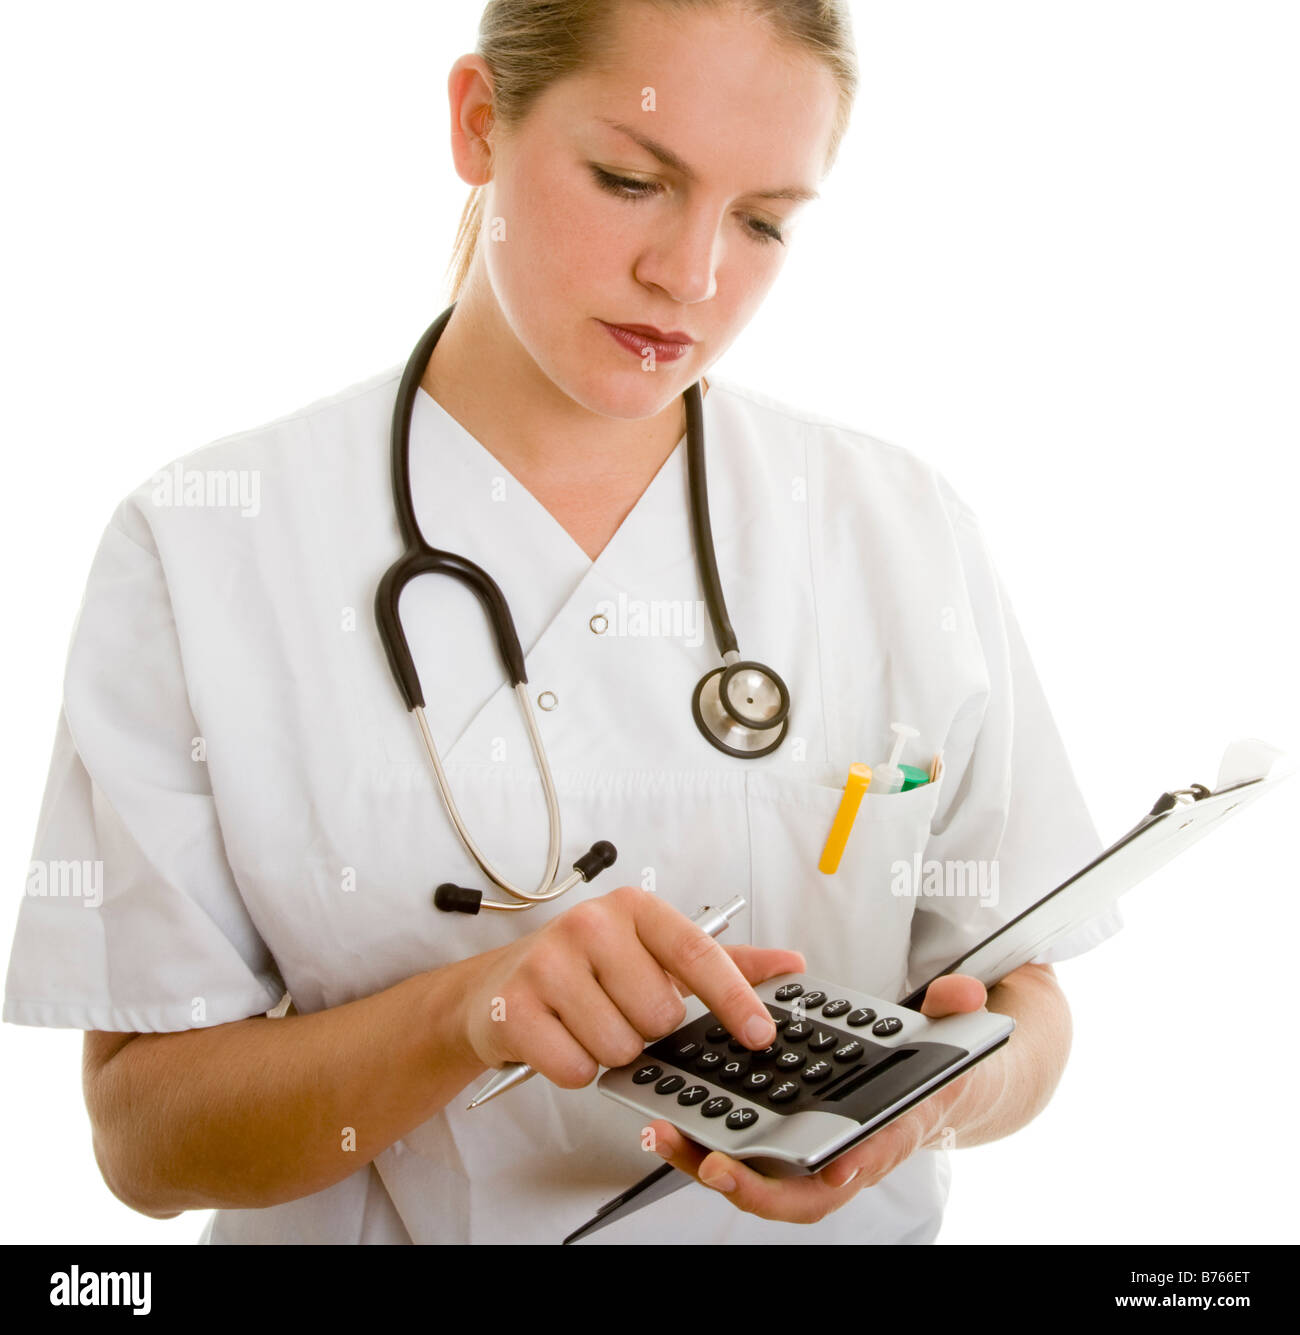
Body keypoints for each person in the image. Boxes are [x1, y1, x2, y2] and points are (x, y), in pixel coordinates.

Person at [4, 0, 1119, 1245]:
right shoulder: (209, 543)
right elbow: (144, 1144)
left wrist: (942, 1103)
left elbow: (1022, 992)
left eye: (761, 222)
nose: (690, 278)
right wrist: (460, 1014)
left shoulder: (894, 525)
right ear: (480, 122)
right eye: (631, 180)